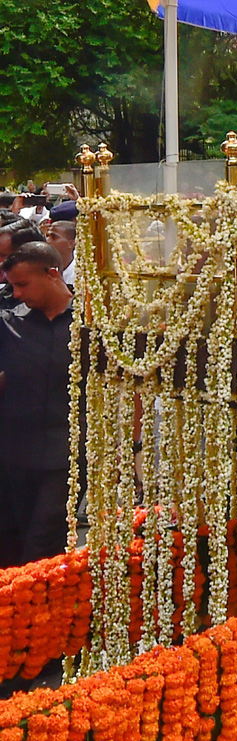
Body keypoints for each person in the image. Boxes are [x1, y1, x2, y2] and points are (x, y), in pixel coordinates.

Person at [0, 242, 80, 565]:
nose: (16, 294)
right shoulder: (8, 323)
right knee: (14, 540)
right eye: (12, 286)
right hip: (14, 454)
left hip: (67, 458)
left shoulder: (87, 323)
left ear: (52, 274)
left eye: (22, 284)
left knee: (44, 542)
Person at [45, 221, 75, 288]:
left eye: (53, 237)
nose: (47, 240)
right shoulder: (42, 268)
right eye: (47, 236)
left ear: (71, 244)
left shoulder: (81, 275)